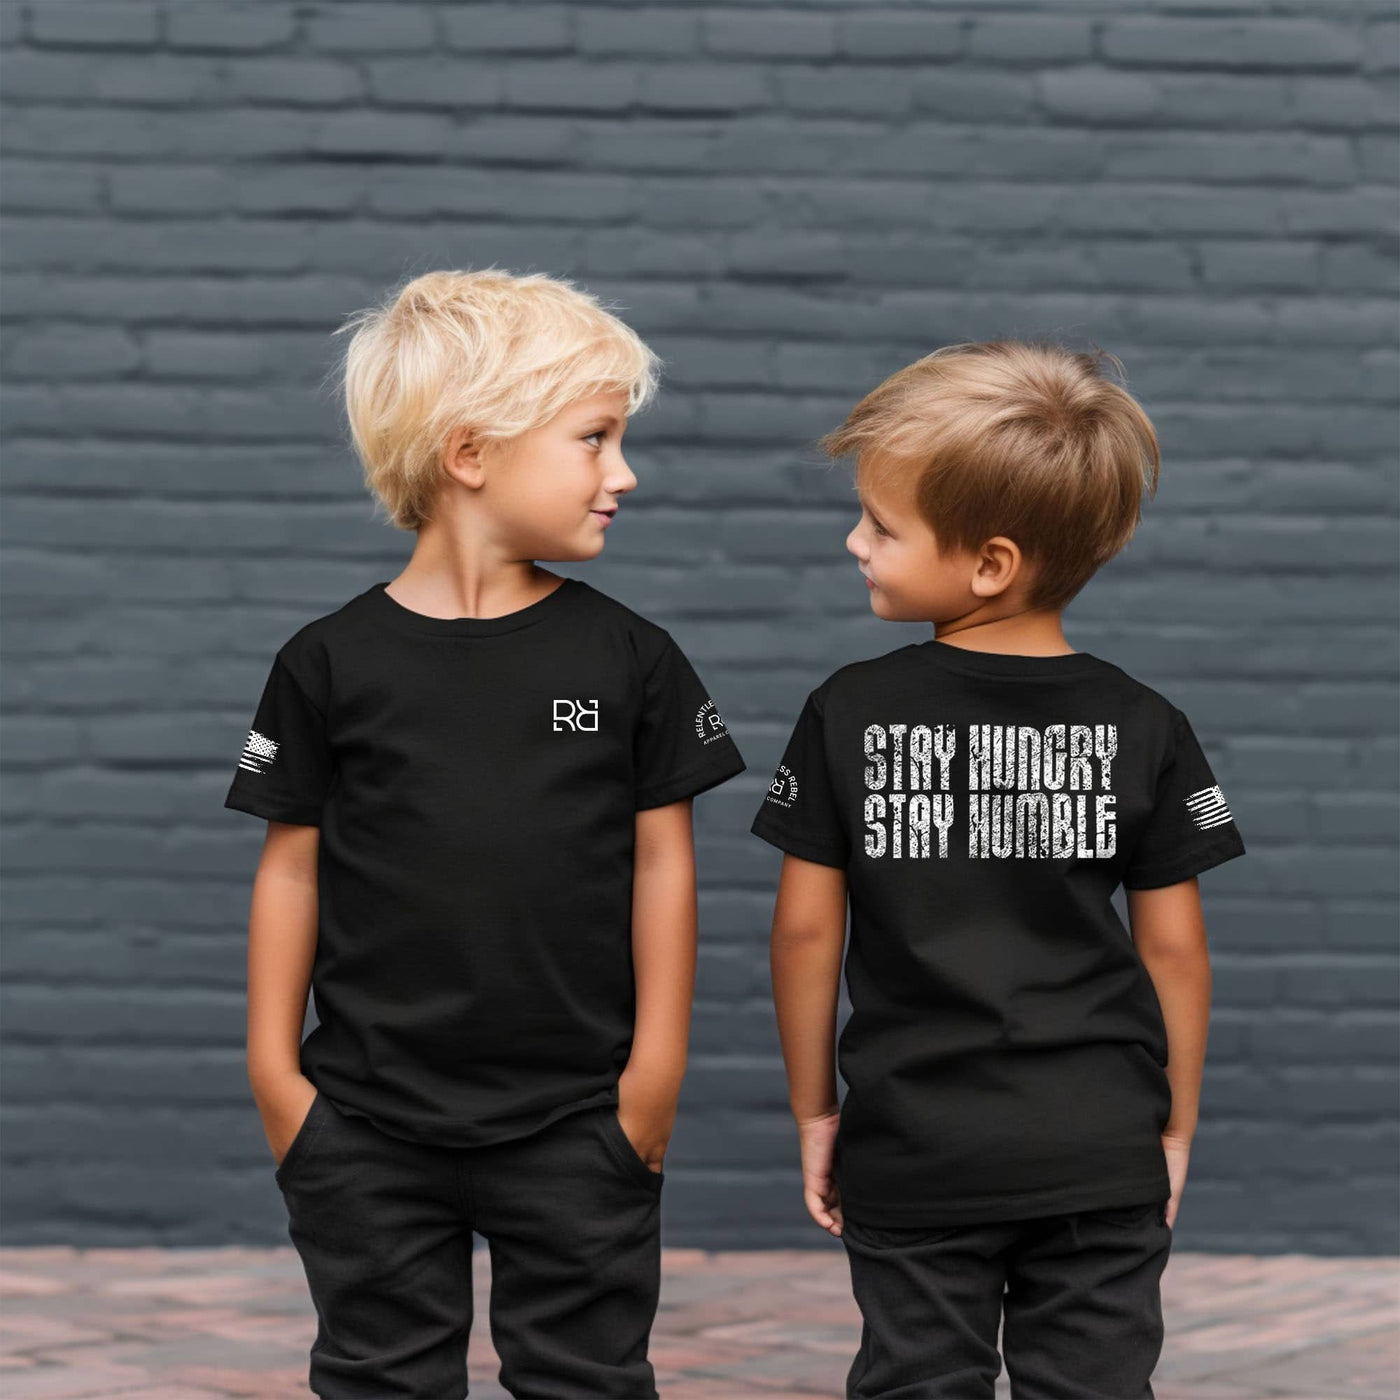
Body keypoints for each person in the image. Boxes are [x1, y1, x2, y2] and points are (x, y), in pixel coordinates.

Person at [225, 268, 745, 1399]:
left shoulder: (632, 659)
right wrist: (276, 1076)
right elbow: (291, 870)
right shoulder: (327, 663)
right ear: (470, 453)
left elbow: (665, 864)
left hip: (579, 1118)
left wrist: (653, 1074)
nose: (623, 472)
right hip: (362, 1120)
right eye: (594, 438)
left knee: (586, 1379)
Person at [750, 340, 1247, 1400]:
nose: (854, 542)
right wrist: (1173, 1126)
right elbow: (1174, 951)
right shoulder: (1145, 722)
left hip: (915, 1142)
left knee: (917, 1380)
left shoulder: (847, 711)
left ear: (989, 563)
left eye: (881, 526)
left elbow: (803, 933)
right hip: (1099, 1144)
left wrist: (815, 1112)